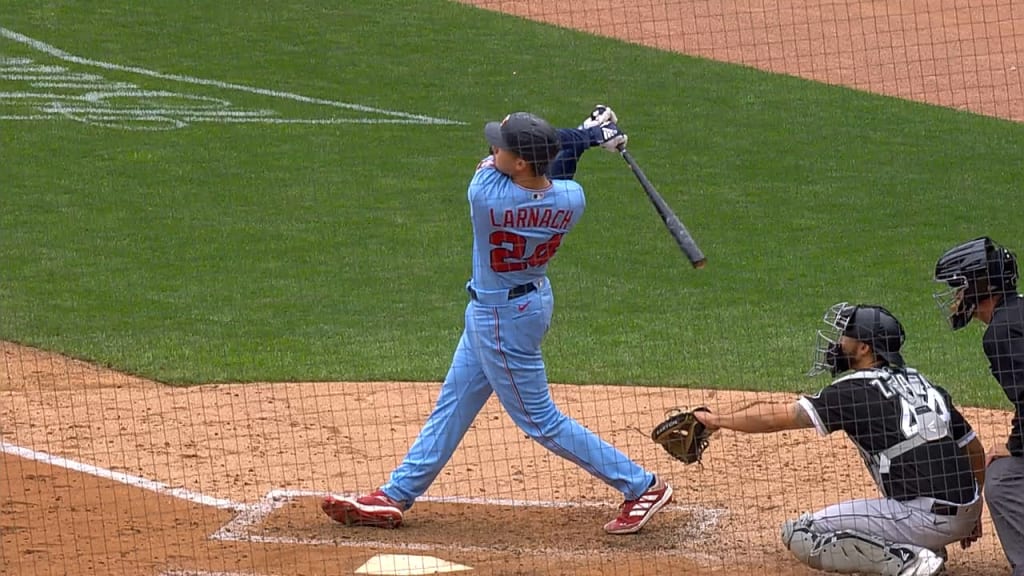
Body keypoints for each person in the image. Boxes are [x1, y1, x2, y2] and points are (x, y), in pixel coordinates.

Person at [321, 106, 673, 535]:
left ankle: (642, 485)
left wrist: (584, 135)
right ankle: (396, 494)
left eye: (503, 147)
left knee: (541, 420)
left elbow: (553, 157)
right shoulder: (571, 200)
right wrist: (592, 137)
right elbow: (558, 168)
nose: (494, 148)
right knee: (455, 401)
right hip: (527, 303)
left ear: (520, 162)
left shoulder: (485, 193)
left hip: (502, 320)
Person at [694, 302, 985, 576]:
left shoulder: (851, 390)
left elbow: (777, 417)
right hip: (966, 508)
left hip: (925, 516)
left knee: (801, 533)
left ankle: (909, 562)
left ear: (863, 348)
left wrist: (717, 420)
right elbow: (973, 448)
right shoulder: (920, 382)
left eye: (845, 336)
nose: (837, 343)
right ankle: (925, 546)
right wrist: (971, 511)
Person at [934, 236, 1024, 576]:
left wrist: (1015, 446)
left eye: (959, 286)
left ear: (979, 288)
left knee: (1002, 481)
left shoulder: (1001, 332)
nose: (955, 297)